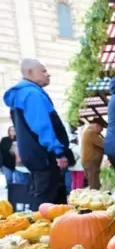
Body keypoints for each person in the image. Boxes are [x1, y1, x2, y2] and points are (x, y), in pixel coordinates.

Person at [2, 59, 73, 209]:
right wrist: (58, 152)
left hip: (35, 155)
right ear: (30, 73)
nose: (48, 75)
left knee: (46, 195)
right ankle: (44, 229)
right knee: (46, 200)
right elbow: (42, 126)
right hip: (44, 155)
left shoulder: (21, 95)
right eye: (43, 71)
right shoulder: (31, 94)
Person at [81, 120, 105, 189]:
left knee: (92, 183)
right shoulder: (91, 133)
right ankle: (95, 199)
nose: (101, 131)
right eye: (101, 128)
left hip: (88, 162)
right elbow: (103, 144)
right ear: (97, 125)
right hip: (91, 162)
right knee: (94, 185)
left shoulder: (87, 132)